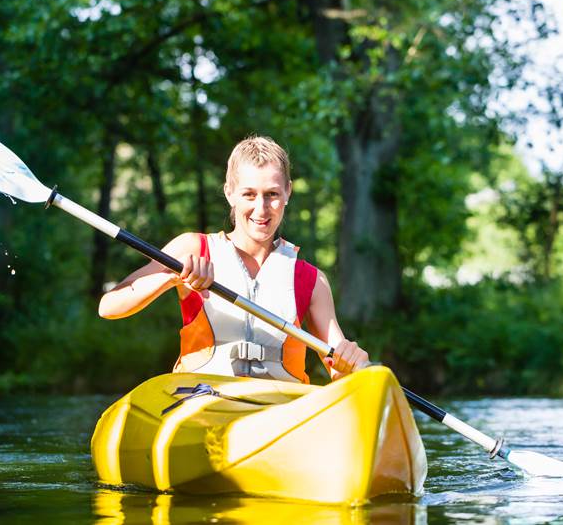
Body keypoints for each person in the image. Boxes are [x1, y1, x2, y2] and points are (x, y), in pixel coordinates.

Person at [98, 136, 369, 383]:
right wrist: (172, 276)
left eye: (272, 194)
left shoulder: (311, 280)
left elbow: (339, 368)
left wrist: (352, 363)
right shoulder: (192, 248)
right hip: (203, 400)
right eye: (249, 194)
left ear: (288, 192)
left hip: (281, 409)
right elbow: (108, 307)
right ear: (230, 193)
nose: (261, 208)